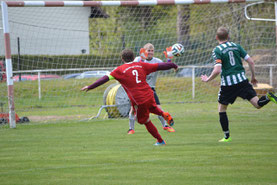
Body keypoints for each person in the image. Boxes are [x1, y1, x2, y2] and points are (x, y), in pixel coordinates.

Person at [81, 48, 178, 145]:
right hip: (149, 94)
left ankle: (160, 141)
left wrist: (90, 87)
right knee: (152, 108)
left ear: (122, 59)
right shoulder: (141, 65)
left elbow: (104, 79)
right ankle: (163, 114)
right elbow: (160, 66)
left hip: (140, 99)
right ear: (133, 57)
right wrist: (173, 65)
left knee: (144, 121)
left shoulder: (119, 70)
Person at [201, 26, 277, 142]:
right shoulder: (237, 46)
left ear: (216, 37)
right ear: (228, 36)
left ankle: (227, 137)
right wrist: (253, 77)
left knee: (222, 108)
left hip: (228, 85)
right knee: (257, 104)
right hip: (242, 81)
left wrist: (208, 79)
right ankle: (268, 96)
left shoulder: (217, 50)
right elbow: (250, 61)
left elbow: (217, 70)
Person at [127, 43, 175, 135]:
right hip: (138, 89)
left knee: (158, 108)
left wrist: (169, 58)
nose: (150, 52)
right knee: (133, 109)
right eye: (148, 50)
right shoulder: (138, 59)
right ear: (144, 51)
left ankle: (165, 125)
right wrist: (142, 59)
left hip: (150, 89)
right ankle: (131, 129)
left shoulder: (157, 61)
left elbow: (167, 67)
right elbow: (131, 67)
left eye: (152, 51)